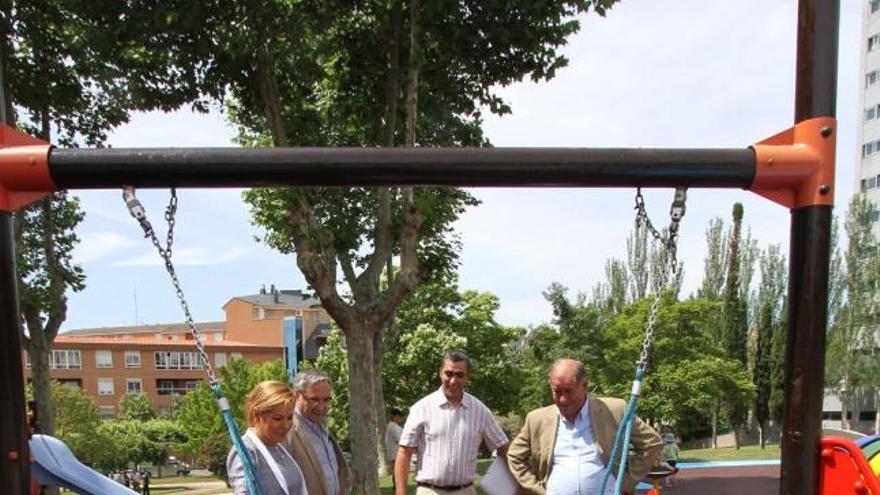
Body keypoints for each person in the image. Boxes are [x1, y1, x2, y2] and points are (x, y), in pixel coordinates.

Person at [508, 358, 661, 495]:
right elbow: (514, 456)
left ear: (585, 385)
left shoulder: (616, 410)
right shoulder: (536, 419)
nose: (563, 399)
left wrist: (627, 482)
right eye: (557, 391)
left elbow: (652, 442)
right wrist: (536, 488)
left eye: (568, 391)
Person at [394, 350, 509, 495]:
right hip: (429, 491)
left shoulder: (480, 411)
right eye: (448, 373)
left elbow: (504, 448)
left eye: (460, 375)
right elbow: (404, 453)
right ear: (440, 373)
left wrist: (514, 485)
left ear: (468, 377)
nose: (453, 381)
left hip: (465, 491)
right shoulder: (421, 408)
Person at [227, 380, 307, 495]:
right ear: (257, 415)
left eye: (289, 418)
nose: (285, 425)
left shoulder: (279, 447)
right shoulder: (246, 451)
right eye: (277, 418)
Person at [287, 369, 351, 495]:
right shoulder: (287, 430)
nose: (321, 406)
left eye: (326, 400)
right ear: (296, 396)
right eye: (314, 399)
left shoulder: (322, 427)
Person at [385, 408, 404, 490]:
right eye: (398, 416)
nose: (400, 418)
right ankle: (396, 487)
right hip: (395, 453)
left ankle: (398, 486)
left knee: (399, 470)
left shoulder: (396, 426)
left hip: (398, 453)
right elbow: (400, 440)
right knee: (397, 471)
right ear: (394, 416)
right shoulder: (392, 426)